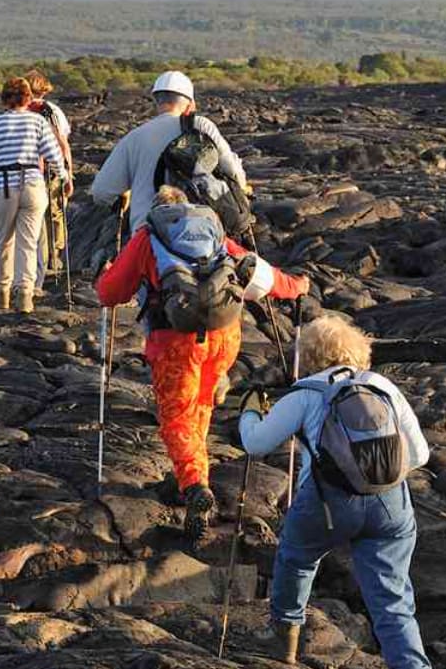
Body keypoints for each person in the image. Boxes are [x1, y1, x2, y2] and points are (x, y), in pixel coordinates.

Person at [238, 314, 439, 669]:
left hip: (327, 504)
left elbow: (256, 444)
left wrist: (249, 411)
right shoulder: (382, 387)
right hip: (390, 505)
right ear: (358, 349)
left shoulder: (306, 393)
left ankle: (286, 646)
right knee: (392, 600)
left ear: (307, 356)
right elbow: (419, 454)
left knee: (296, 558)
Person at [96, 186, 307, 535]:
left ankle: (195, 486)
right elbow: (261, 277)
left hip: (175, 340)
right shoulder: (211, 230)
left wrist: (105, 276)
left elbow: (110, 293)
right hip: (223, 335)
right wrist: (296, 286)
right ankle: (191, 474)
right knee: (201, 404)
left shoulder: (148, 237)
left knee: (177, 415)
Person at [91, 70, 247, 234]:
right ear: (190, 105)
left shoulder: (134, 137)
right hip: (202, 232)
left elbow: (101, 192)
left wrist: (124, 197)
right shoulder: (200, 125)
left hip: (148, 234)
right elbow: (233, 172)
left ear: (157, 102)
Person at [0, 77, 69, 314]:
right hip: (34, 185)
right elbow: (54, 155)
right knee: (29, 242)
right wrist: (64, 176)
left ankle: (1, 294)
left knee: (3, 241)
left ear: (4, 99)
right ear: (28, 98)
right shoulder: (37, 122)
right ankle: (25, 295)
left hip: (4, 187)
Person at [26, 69, 73, 293]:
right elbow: (63, 144)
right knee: (54, 212)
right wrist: (68, 173)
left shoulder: (17, 111)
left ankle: (33, 265)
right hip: (52, 171)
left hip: (27, 173)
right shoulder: (53, 111)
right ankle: (55, 258)